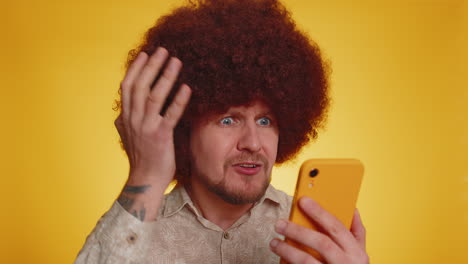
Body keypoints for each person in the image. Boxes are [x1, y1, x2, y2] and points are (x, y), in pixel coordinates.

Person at [75, 0, 369, 263]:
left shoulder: (315, 237)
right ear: (183, 128)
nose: (253, 143)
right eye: (228, 120)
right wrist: (146, 176)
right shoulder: (139, 230)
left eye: (265, 121)